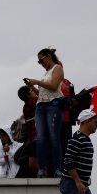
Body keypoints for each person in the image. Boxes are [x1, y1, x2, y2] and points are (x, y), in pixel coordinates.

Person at [25, 47, 64, 177]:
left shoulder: (57, 68)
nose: (41, 64)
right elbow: (41, 93)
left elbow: (53, 86)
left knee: (54, 138)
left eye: (41, 61)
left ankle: (57, 168)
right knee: (41, 138)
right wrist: (32, 86)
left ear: (48, 56)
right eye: (39, 62)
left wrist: (37, 82)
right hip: (41, 106)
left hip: (53, 106)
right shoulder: (46, 73)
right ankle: (42, 169)